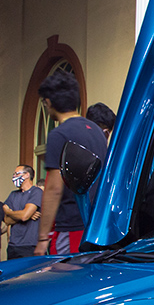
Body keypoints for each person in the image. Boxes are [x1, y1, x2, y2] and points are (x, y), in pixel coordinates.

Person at [33, 69, 106, 256]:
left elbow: (54, 188)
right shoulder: (96, 131)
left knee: (66, 278)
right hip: (96, 223)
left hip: (71, 225)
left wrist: (42, 239)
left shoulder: (59, 134)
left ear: (49, 102)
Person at [3, 164, 42, 258]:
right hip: (13, 245)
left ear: (27, 175)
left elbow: (24, 216)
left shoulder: (36, 192)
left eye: (17, 174)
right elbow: (7, 221)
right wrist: (25, 214)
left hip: (30, 245)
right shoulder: (13, 194)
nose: (14, 177)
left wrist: (9, 212)